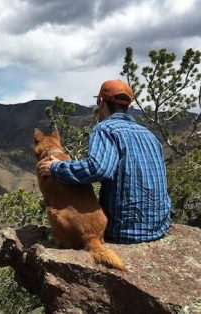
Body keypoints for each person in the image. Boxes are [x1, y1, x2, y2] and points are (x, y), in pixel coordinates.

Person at [37, 80, 171, 243]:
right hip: (159, 227)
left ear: (100, 102)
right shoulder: (149, 134)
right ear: (127, 107)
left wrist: (56, 168)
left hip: (124, 230)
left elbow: (99, 169)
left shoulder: (105, 129)